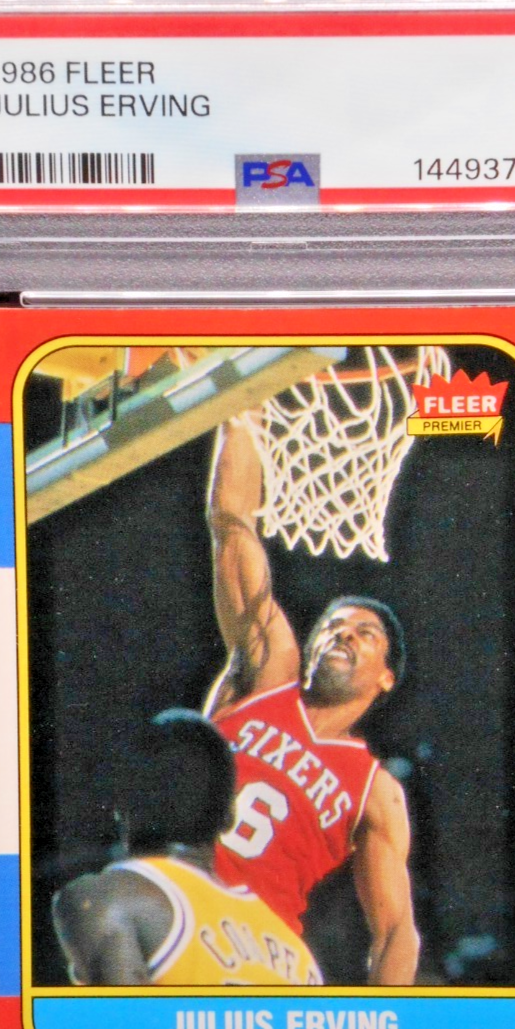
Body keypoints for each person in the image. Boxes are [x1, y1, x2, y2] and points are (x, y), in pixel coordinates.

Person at [205, 415, 420, 986]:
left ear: (386, 677)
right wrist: (242, 415)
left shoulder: (375, 788)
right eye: (332, 626)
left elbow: (397, 930)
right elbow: (232, 526)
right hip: (185, 891)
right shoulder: (269, 672)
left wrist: (386, 1024)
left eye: (364, 633)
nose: (342, 635)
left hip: (262, 947)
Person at [52, 708, 322, 987]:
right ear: (229, 817)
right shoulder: (303, 962)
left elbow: (125, 1016)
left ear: (122, 804)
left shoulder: (107, 899)